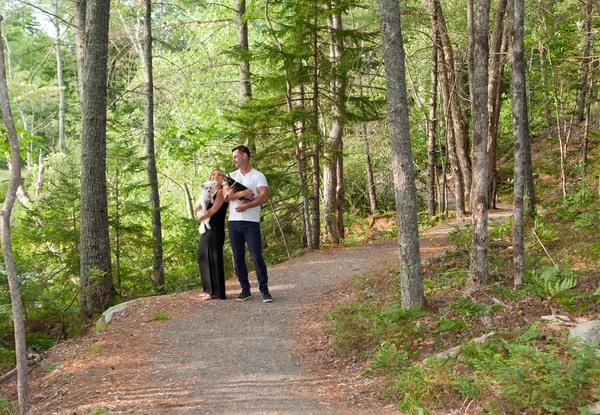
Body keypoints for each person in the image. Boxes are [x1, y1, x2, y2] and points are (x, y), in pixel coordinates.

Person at [224, 145, 273, 303]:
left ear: (245, 156)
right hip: (233, 223)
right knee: (238, 258)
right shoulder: (231, 176)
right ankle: (245, 290)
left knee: (256, 257)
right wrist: (242, 194)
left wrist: (247, 205)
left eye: (236, 156)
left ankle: (264, 291)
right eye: (233, 157)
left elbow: (263, 197)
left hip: (251, 222)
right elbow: (224, 196)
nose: (233, 159)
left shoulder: (258, 176)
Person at [195, 168, 229, 300]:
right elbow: (197, 207)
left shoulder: (221, 192)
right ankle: (208, 289)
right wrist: (198, 212)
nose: (216, 177)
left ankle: (217, 292)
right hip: (205, 227)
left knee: (214, 258)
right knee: (203, 257)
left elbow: (214, 210)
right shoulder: (206, 192)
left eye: (219, 175)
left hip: (216, 227)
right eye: (214, 175)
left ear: (223, 178)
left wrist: (200, 217)